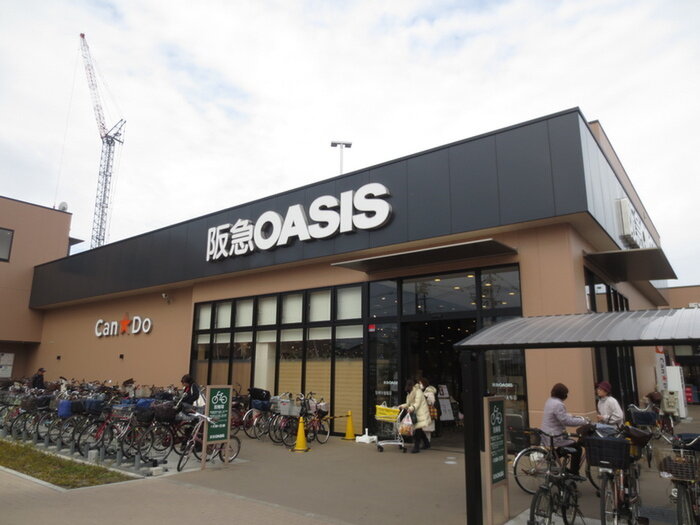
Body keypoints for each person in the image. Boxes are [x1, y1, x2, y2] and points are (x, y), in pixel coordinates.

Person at [541, 383, 589, 475]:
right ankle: (574, 473)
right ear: (562, 394)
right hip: (554, 435)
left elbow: (561, 416)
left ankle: (551, 457)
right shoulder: (558, 404)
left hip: (547, 434)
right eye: (566, 394)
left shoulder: (550, 401)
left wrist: (573, 416)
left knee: (567, 445)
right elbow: (566, 421)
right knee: (577, 448)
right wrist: (584, 422)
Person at [400, 379, 431, 453]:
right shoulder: (410, 393)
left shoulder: (418, 392)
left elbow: (417, 403)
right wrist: (401, 406)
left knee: (417, 430)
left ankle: (416, 447)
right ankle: (426, 443)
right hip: (416, 413)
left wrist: (411, 408)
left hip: (420, 413)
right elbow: (408, 403)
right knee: (418, 429)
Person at [421, 378, 438, 443]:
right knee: (425, 429)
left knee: (427, 429)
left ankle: (427, 442)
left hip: (428, 412)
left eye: (421, 383)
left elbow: (432, 401)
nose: (420, 385)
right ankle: (426, 442)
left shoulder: (429, 391)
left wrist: (425, 399)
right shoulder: (424, 391)